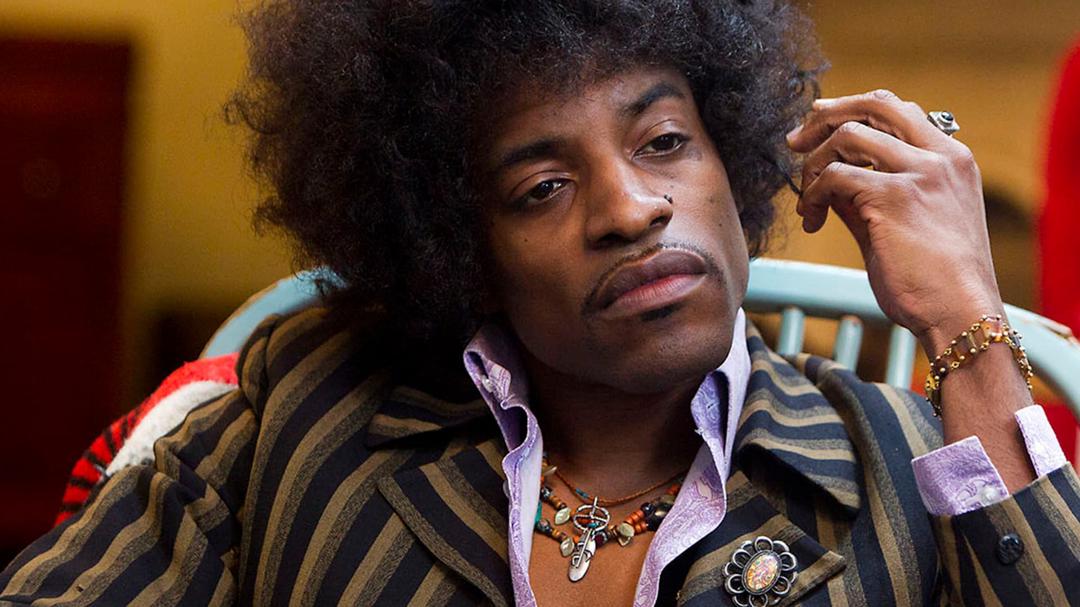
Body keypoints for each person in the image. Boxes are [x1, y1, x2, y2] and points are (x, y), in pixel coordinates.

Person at [3, 2, 1078, 605]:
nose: (631, 208)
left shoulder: (903, 455)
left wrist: (964, 322)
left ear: (734, 156)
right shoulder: (305, 407)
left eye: (665, 140)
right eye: (542, 188)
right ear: (455, 244)